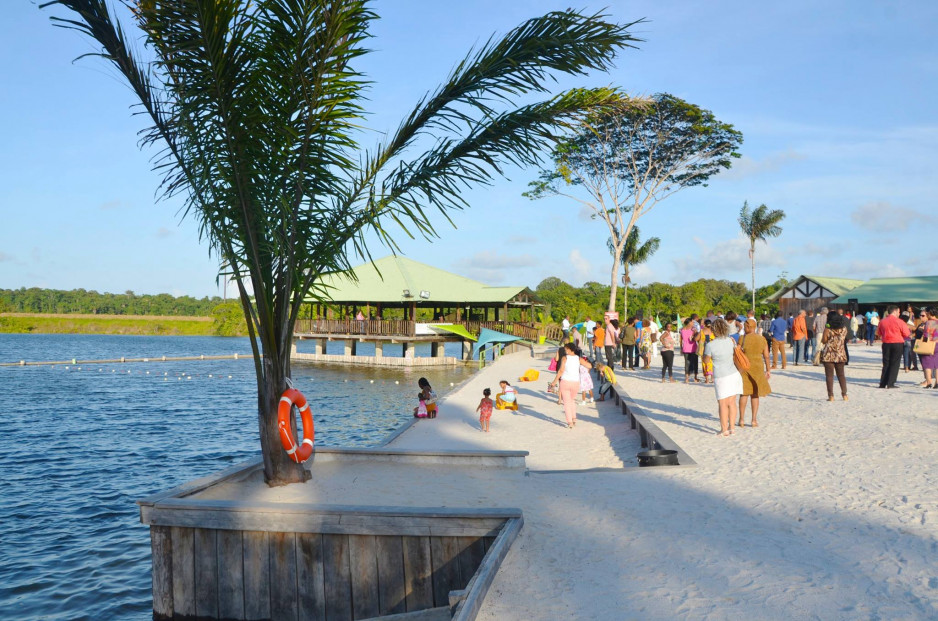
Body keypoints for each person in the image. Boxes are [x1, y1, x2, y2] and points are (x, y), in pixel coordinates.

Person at [702, 318, 743, 436]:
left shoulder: (710, 345)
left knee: (722, 403)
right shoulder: (731, 341)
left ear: (713, 330)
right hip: (734, 373)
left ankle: (724, 429)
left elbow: (706, 360)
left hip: (721, 375)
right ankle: (732, 428)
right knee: (731, 402)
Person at [738, 318, 772, 427]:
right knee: (755, 394)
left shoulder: (742, 338)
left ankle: (741, 419)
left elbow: (738, 353)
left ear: (748, 327)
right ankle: (753, 420)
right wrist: (768, 370)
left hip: (745, 367)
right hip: (758, 367)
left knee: (744, 393)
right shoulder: (762, 339)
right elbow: (766, 356)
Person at [549, 342, 591, 428]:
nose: (565, 351)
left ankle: (570, 422)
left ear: (569, 349)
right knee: (572, 400)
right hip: (575, 382)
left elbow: (561, 371)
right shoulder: (579, 359)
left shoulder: (565, 358)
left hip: (565, 382)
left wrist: (554, 382)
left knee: (567, 403)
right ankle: (574, 418)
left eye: (566, 349)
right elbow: (589, 366)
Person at [877, 305, 910, 389]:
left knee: (886, 363)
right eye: (898, 312)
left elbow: (879, 333)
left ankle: (883, 383)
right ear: (895, 311)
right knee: (895, 363)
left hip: (886, 343)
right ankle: (891, 383)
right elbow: (907, 334)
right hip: (897, 342)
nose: (899, 314)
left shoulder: (882, 321)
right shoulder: (900, 322)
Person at [821, 313, 849, 401]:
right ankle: (844, 395)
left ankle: (831, 396)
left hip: (829, 355)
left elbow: (824, 341)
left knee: (829, 376)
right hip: (840, 353)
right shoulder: (844, 329)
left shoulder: (827, 329)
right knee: (841, 375)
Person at [916, 307, 938, 388]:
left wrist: (922, 331)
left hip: (930, 344)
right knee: (937, 364)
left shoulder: (929, 323)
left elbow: (926, 335)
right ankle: (937, 382)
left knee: (927, 363)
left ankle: (929, 382)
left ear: (929, 313)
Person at [680, 318, 699, 383]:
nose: (693, 323)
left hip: (686, 348)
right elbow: (697, 338)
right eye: (692, 322)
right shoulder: (693, 329)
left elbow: (680, 340)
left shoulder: (682, 330)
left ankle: (687, 378)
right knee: (695, 362)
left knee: (687, 363)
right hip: (693, 348)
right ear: (689, 323)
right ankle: (695, 378)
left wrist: (681, 348)